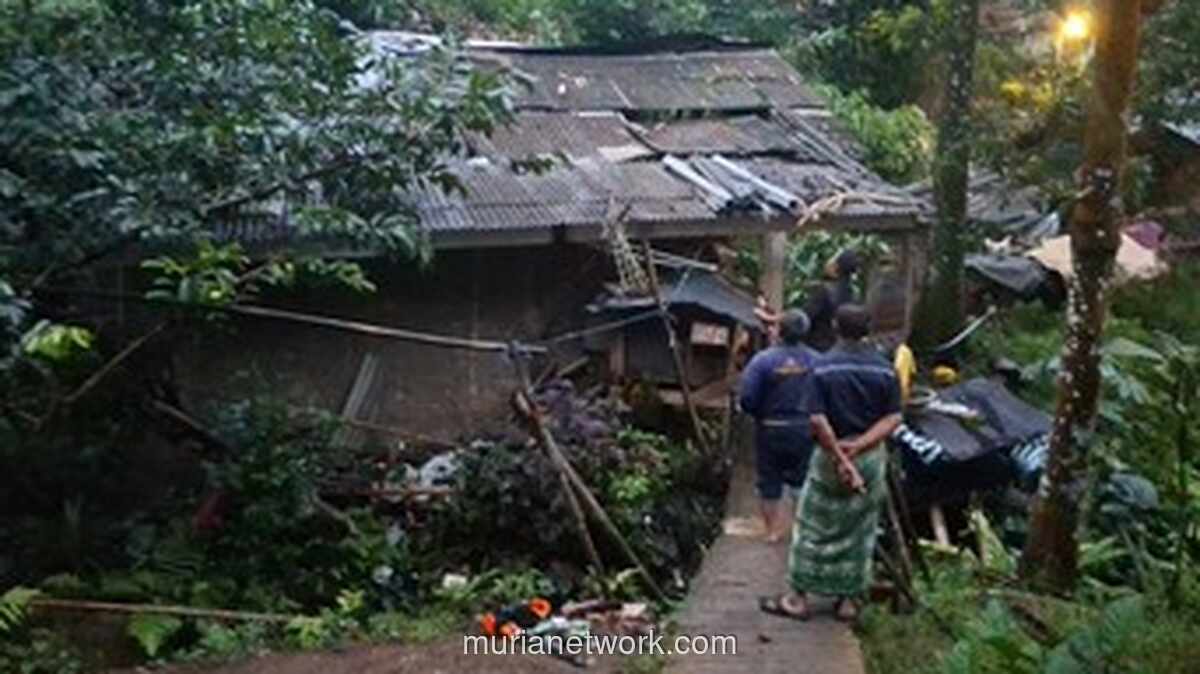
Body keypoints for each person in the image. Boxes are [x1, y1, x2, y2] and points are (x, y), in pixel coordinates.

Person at [758, 304, 902, 622]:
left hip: (828, 457)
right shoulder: (885, 369)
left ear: (835, 327)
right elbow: (893, 417)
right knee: (860, 529)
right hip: (868, 459)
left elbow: (818, 420)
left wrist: (839, 454)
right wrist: (859, 447)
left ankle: (798, 599)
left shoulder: (823, 368)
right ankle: (848, 601)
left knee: (812, 524)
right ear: (868, 330)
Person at [738, 310, 819, 543]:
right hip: (806, 428)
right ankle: (799, 530)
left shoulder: (762, 361)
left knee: (769, 479)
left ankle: (772, 531)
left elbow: (747, 398)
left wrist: (758, 414)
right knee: (802, 479)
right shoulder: (816, 360)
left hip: (771, 428)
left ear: (779, 331)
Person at [803, 249, 860, 352]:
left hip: (819, 348)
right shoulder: (853, 293)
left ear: (836, 267)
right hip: (841, 347)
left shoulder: (823, 290)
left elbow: (805, 317)